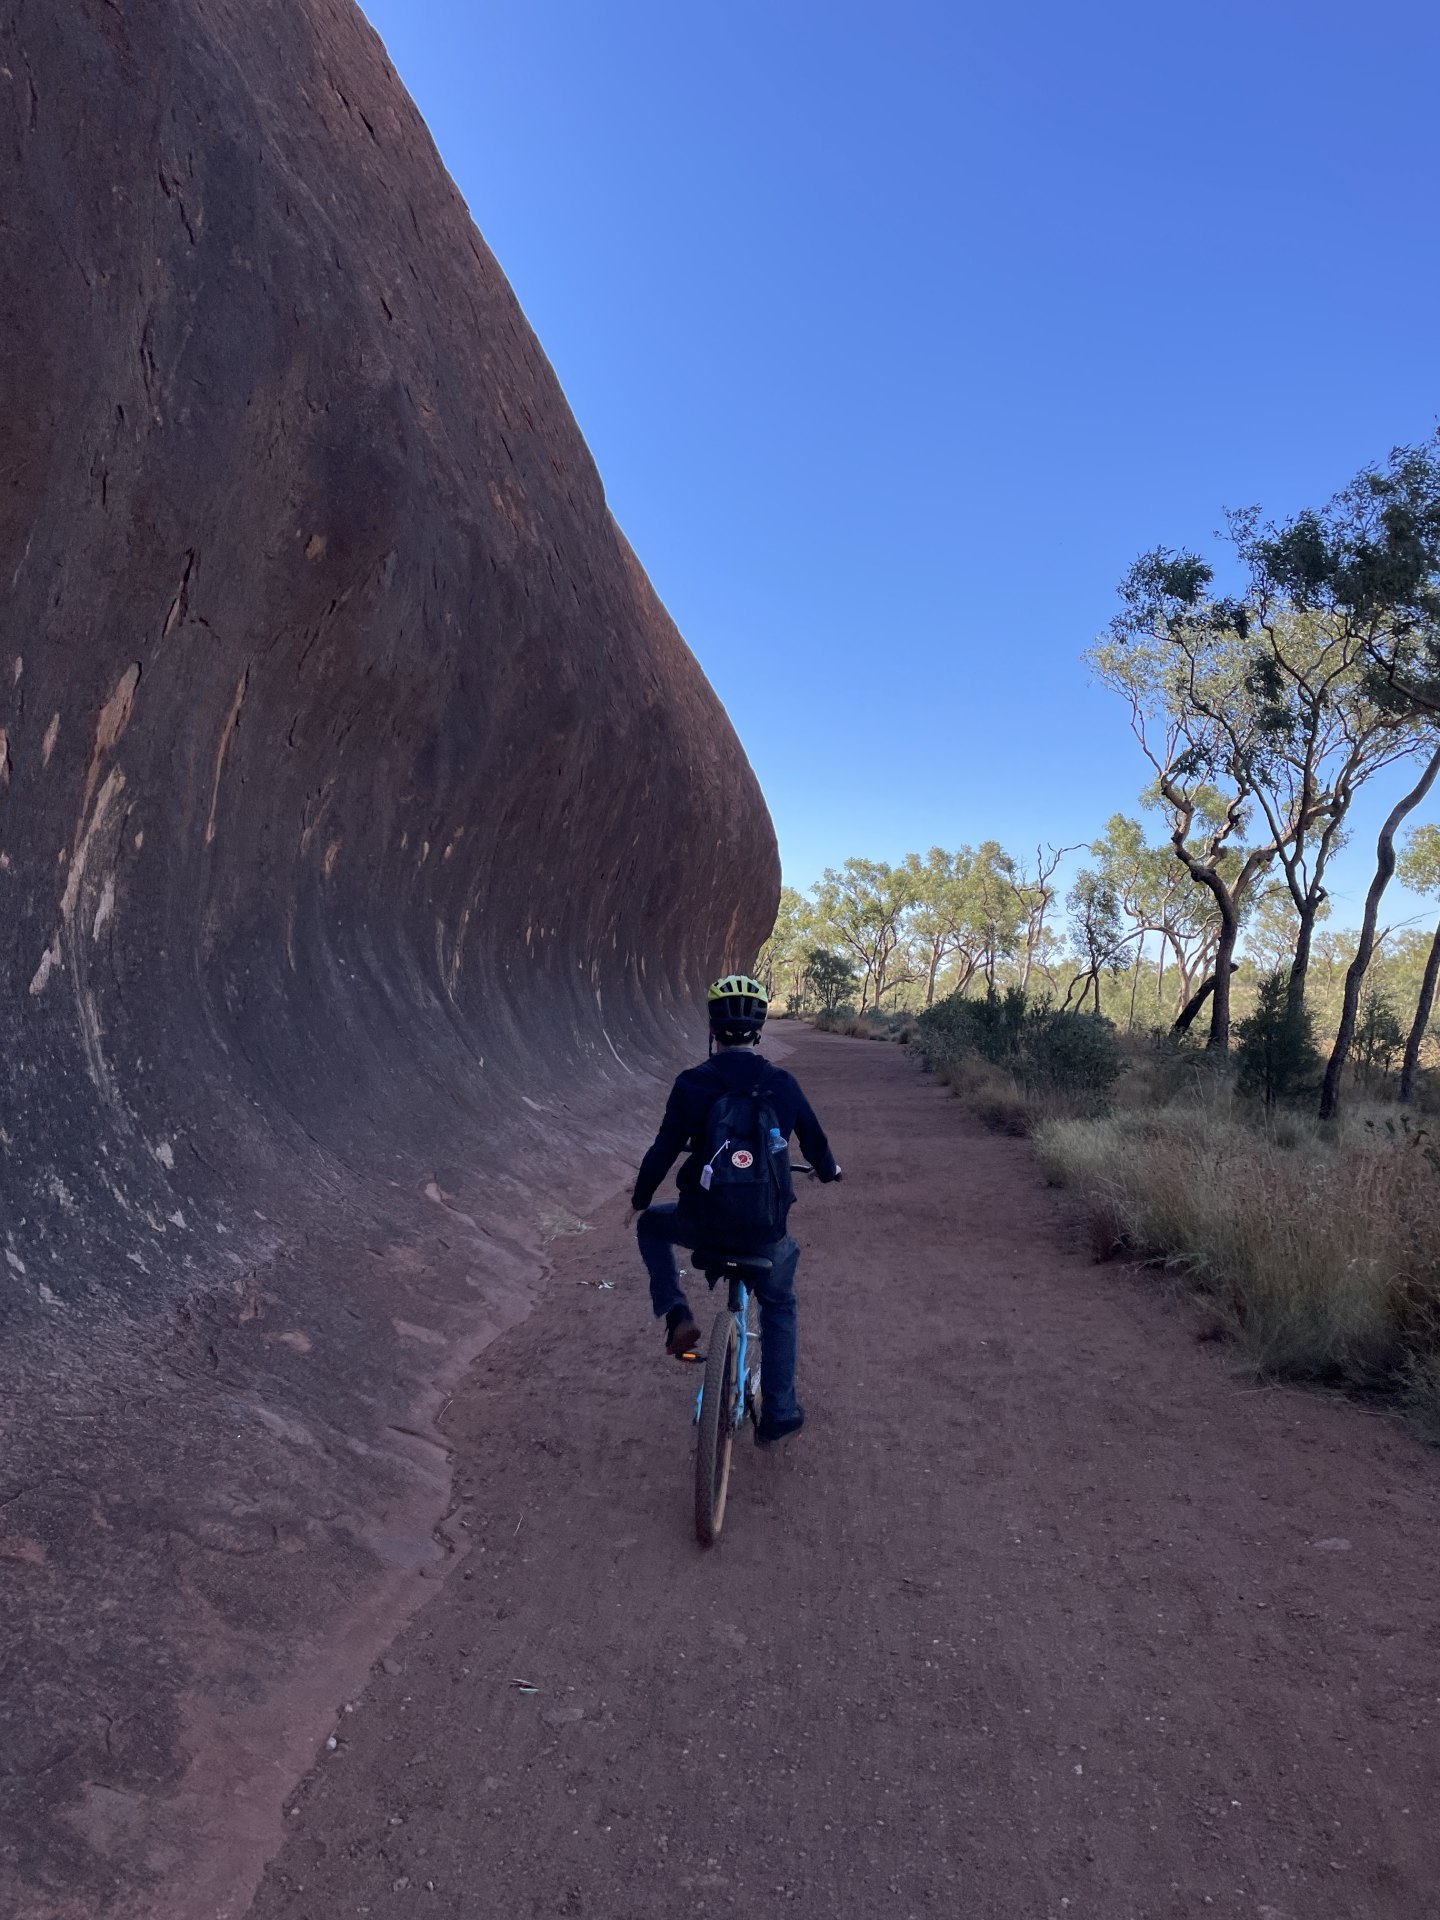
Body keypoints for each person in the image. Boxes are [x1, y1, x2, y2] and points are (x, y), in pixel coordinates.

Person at [630, 973, 842, 1447]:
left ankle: (676, 1314)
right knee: (780, 1302)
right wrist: (828, 1171)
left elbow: (663, 1150)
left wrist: (639, 1199)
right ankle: (780, 1411)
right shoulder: (781, 1084)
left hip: (702, 1224)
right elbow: (817, 1143)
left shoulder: (692, 1084)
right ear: (760, 1029)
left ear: (711, 1027)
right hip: (764, 1231)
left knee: (651, 1226)